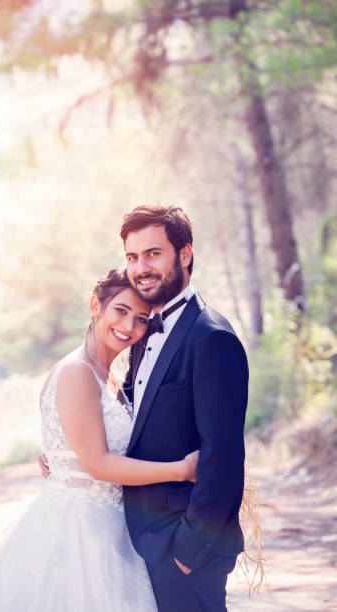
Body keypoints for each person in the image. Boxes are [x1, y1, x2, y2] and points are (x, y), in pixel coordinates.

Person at [0, 268, 199, 612]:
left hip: (112, 526)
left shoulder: (110, 378)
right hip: (80, 531)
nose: (130, 327)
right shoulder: (78, 372)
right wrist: (181, 470)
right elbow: (97, 464)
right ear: (95, 306)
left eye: (141, 319)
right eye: (120, 311)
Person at [119, 205, 249, 612]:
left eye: (153, 254)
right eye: (132, 257)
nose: (142, 268)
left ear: (185, 254)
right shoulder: (142, 332)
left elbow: (223, 457)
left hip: (186, 547)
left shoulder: (211, 338)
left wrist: (189, 552)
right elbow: (131, 421)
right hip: (142, 541)